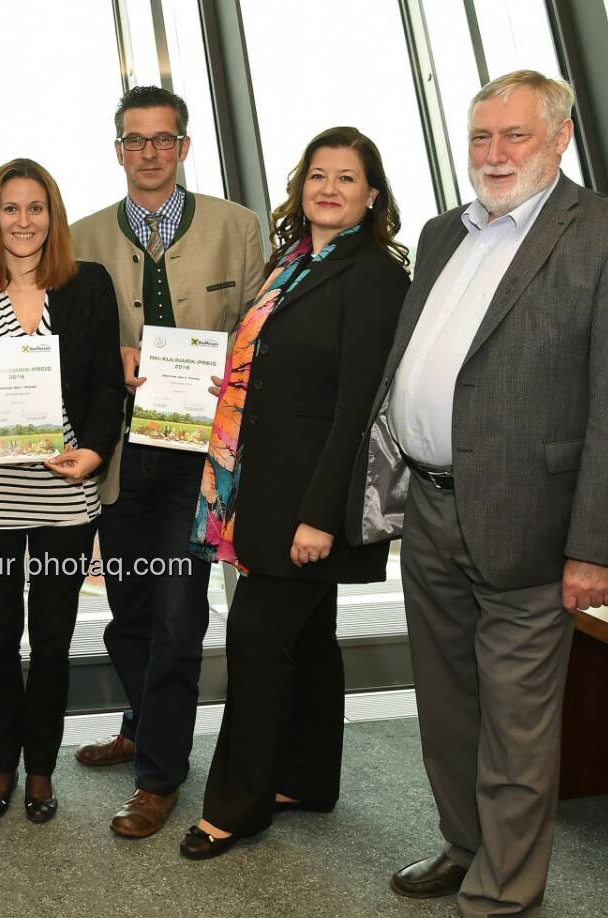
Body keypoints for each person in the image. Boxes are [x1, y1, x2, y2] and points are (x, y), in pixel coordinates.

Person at [352, 70, 608, 918]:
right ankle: (465, 844)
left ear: (560, 139)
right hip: (432, 511)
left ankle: (502, 908)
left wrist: (596, 547)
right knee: (447, 705)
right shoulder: (448, 232)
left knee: (519, 724)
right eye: (481, 136)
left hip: (536, 523)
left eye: (514, 136)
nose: (493, 154)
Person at [177, 128, 410, 860]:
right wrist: (246, 386)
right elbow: (290, 367)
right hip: (266, 479)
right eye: (318, 175)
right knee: (307, 638)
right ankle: (308, 778)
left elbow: (358, 404)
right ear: (300, 186)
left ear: (372, 195)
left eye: (347, 177)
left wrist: (319, 516)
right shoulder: (296, 264)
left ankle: (238, 807)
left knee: (256, 639)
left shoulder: (373, 274)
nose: (329, 188)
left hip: (307, 499)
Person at [70, 85, 265, 838]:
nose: (149, 152)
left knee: (180, 618)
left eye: (163, 139)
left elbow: (262, 330)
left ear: (184, 147)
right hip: (122, 456)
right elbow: (66, 347)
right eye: (134, 139)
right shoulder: (83, 236)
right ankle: (137, 722)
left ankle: (159, 778)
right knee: (131, 612)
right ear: (117, 149)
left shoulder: (236, 228)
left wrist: (237, 372)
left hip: (199, 459)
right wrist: (103, 357)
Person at [0, 159, 124, 822]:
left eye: (35, 208)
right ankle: (0, 764)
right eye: (10, 209)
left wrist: (98, 452)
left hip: (65, 491)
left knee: (49, 640)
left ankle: (40, 769)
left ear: (53, 216)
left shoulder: (87, 285)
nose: (23, 221)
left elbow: (106, 384)